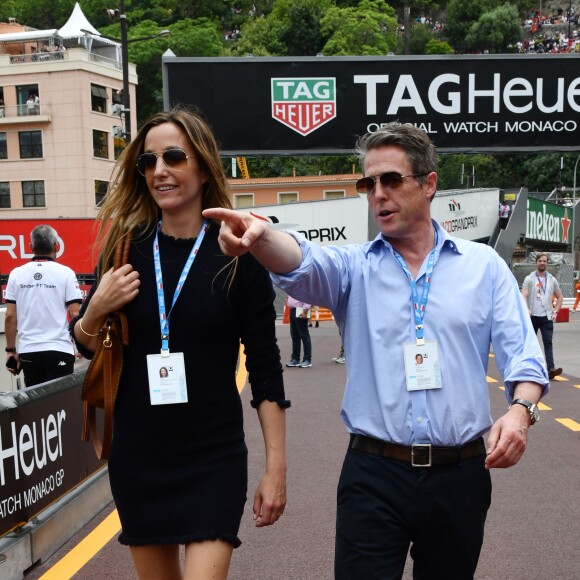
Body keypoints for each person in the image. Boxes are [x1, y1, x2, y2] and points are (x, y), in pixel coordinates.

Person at [203, 121, 548, 580]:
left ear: (428, 185)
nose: (378, 194)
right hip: (374, 475)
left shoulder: (483, 267)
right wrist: (259, 234)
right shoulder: (353, 269)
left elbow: (523, 354)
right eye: (369, 183)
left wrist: (521, 411)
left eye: (391, 180)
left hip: (459, 475)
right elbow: (302, 260)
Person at [71, 107, 288, 579]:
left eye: (173, 157)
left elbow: (266, 369)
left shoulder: (237, 253)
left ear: (204, 166)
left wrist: (276, 467)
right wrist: (97, 307)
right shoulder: (126, 248)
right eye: (147, 162)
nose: (159, 171)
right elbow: (84, 347)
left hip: (213, 455)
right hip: (139, 457)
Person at [4, 225, 82, 387]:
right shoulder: (66, 273)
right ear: (56, 246)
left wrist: (11, 351)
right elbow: (75, 314)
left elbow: (10, 316)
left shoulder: (16, 274)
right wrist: (80, 344)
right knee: (62, 404)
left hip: (29, 351)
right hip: (60, 349)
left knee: (36, 406)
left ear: (31, 247)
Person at [521, 253, 564, 379]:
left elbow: (560, 297)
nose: (542, 263)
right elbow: (524, 295)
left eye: (544, 261)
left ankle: (551, 369)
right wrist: (526, 309)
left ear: (547, 263)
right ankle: (527, 367)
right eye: (540, 261)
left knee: (548, 342)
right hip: (532, 316)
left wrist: (555, 311)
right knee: (529, 343)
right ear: (536, 262)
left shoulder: (551, 279)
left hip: (546, 317)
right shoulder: (529, 279)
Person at [285, 294, 312, 368]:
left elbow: (308, 297)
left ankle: (307, 359)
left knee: (304, 335)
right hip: (293, 310)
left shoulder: (302, 284)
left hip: (300, 310)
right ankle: (295, 359)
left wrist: (305, 311)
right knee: (294, 336)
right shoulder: (292, 285)